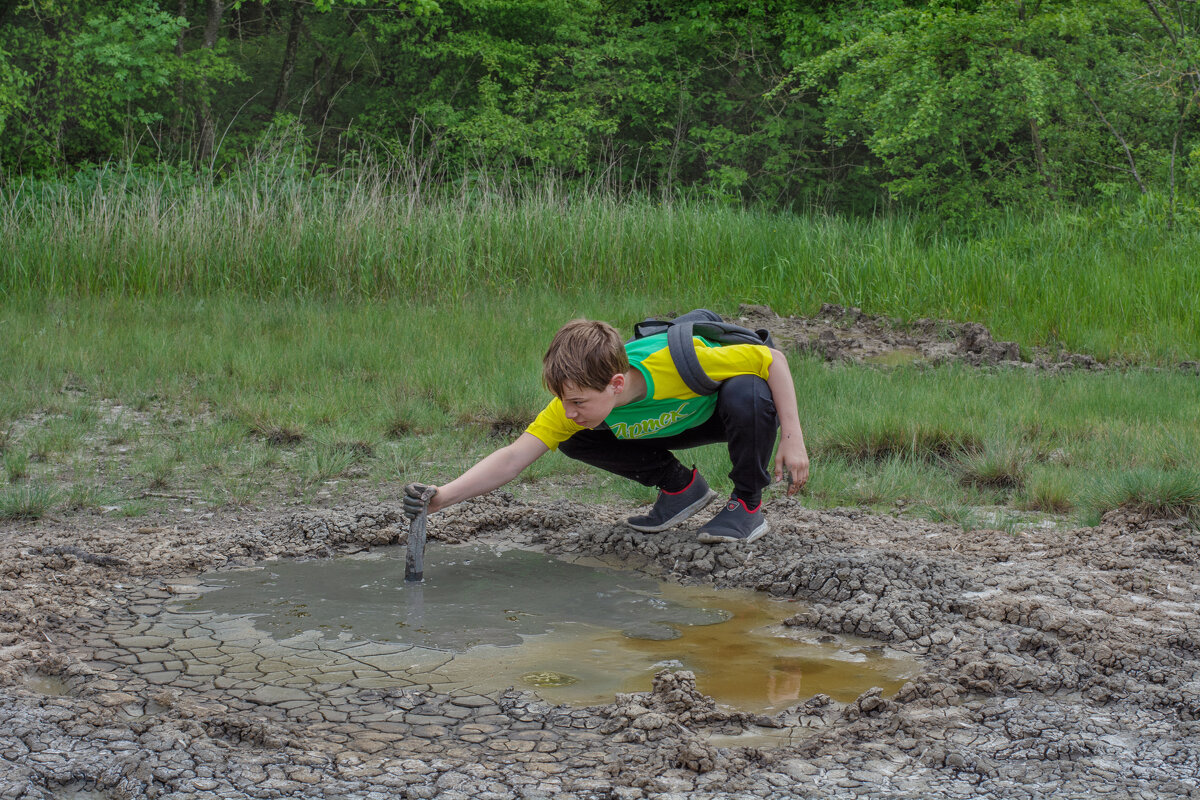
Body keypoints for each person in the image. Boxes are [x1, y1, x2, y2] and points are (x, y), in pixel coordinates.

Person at [403, 317, 809, 543]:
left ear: (616, 383)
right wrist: (444, 497)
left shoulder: (679, 361)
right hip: (660, 427)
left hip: (716, 415)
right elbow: (513, 456)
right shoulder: (576, 401)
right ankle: (682, 490)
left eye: (579, 402)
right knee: (574, 437)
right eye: (565, 401)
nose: (570, 410)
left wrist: (792, 437)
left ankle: (747, 505)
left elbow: (772, 359)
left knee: (748, 391)